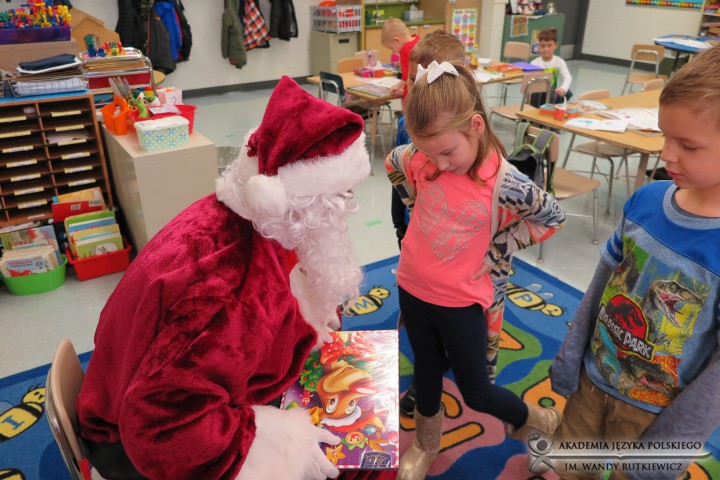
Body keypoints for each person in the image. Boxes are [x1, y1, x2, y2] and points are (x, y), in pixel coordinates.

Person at [75, 76, 392, 480]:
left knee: (357, 399)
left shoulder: (244, 219)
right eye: (341, 194)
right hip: (135, 442)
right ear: (302, 202)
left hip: (129, 389)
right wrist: (282, 441)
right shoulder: (234, 285)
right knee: (361, 457)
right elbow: (161, 425)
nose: (348, 205)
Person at [386, 61, 566, 480]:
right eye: (429, 153)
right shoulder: (419, 158)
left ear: (476, 127)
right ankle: (426, 444)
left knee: (477, 390)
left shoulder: (505, 181)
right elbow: (393, 162)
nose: (438, 163)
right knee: (425, 368)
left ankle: (537, 419)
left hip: (461, 301)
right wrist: (414, 201)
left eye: (448, 152)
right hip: (412, 286)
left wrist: (500, 246)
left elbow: (553, 217)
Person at [550, 45, 720, 480]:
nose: (666, 155)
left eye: (688, 145)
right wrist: (571, 355)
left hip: (654, 414)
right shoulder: (645, 201)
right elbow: (601, 285)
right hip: (593, 379)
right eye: (665, 136)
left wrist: (674, 443)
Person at [530, 28, 572, 106]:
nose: (546, 49)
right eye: (543, 46)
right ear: (539, 46)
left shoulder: (559, 61)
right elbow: (530, 84)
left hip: (552, 92)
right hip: (538, 94)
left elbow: (568, 77)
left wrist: (563, 88)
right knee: (546, 95)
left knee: (567, 92)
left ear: (555, 45)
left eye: (549, 45)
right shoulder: (534, 63)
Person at [381, 18, 419, 100]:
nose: (393, 51)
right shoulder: (418, 40)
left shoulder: (405, 50)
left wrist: (398, 87)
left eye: (392, 48)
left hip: (412, 98)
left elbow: (407, 79)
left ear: (396, 40)